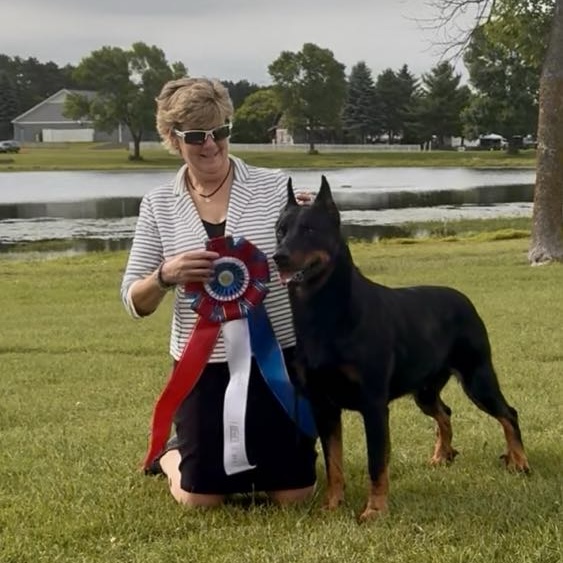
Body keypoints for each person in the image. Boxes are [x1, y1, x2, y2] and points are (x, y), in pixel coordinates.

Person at [120, 77, 317, 508]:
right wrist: (165, 275)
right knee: (200, 501)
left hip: (278, 360)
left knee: (295, 495)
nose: (210, 145)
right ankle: (172, 455)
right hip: (202, 367)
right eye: (196, 136)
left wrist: (310, 226)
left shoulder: (275, 186)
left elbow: (313, 262)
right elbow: (133, 300)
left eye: (220, 131)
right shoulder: (158, 204)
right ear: (173, 138)